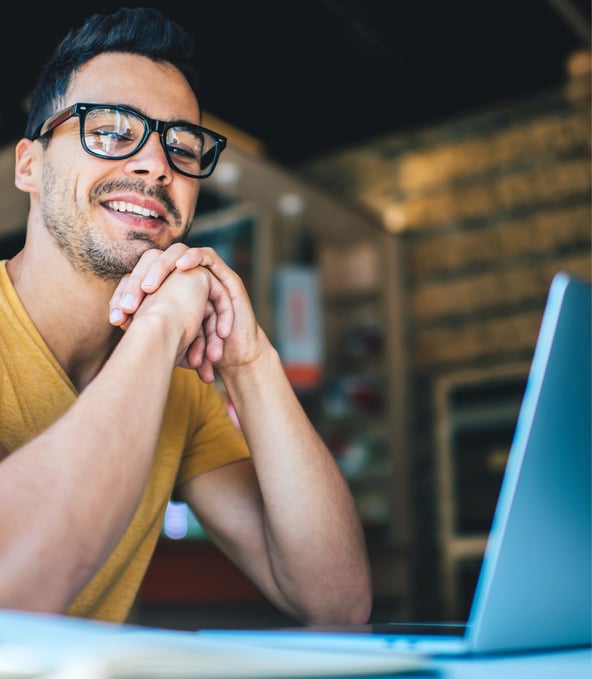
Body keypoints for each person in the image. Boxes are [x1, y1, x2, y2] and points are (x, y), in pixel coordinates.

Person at [0, 7, 372, 626]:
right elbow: (12, 584)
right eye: (113, 131)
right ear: (29, 166)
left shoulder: (184, 388)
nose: (156, 166)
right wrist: (161, 327)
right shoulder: (161, 355)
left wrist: (250, 362)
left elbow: (336, 600)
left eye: (182, 145)